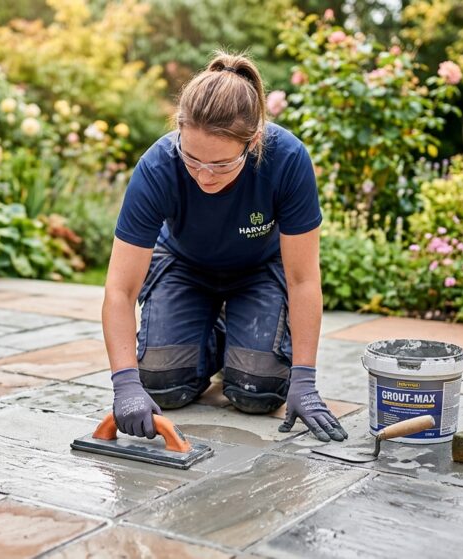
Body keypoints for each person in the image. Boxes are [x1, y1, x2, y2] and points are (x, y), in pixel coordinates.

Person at [101, 51, 348, 444]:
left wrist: (304, 378)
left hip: (259, 270)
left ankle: (240, 338)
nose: (203, 175)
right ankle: (214, 332)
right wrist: (125, 384)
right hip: (184, 265)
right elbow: (120, 289)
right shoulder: (156, 167)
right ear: (179, 131)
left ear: (252, 143)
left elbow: (302, 280)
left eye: (220, 164)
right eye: (192, 158)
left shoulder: (288, 160)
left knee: (260, 389)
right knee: (162, 386)